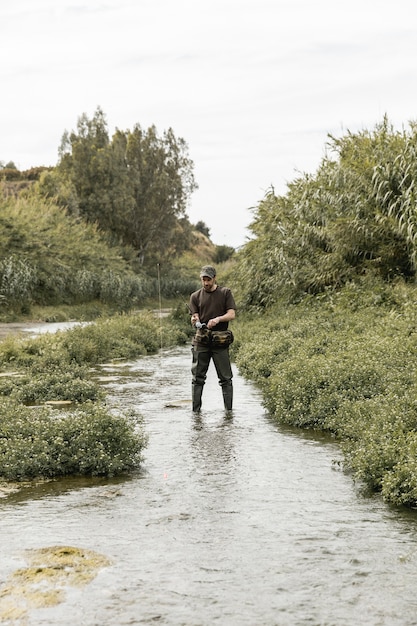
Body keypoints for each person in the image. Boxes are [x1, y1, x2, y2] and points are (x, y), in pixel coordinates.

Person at [189, 265, 236, 412]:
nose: (206, 283)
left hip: (220, 342)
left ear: (215, 278)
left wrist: (218, 319)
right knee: (197, 379)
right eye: (203, 279)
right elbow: (194, 315)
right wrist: (194, 319)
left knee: (226, 379)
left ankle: (228, 413)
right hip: (201, 341)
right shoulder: (195, 296)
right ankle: (196, 414)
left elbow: (231, 314)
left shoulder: (225, 293)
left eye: (208, 279)